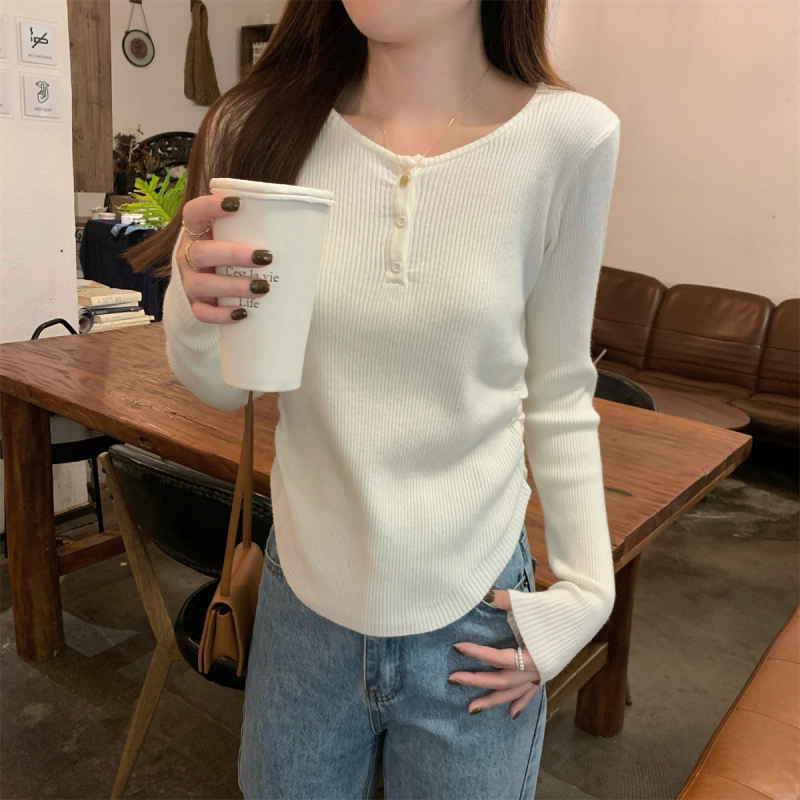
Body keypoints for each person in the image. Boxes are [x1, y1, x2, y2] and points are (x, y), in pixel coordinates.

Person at [126, 0, 620, 797]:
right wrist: (191, 295)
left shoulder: (570, 138)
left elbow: (560, 390)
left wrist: (588, 595)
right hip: (304, 600)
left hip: (478, 614)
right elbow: (223, 385)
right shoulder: (259, 125)